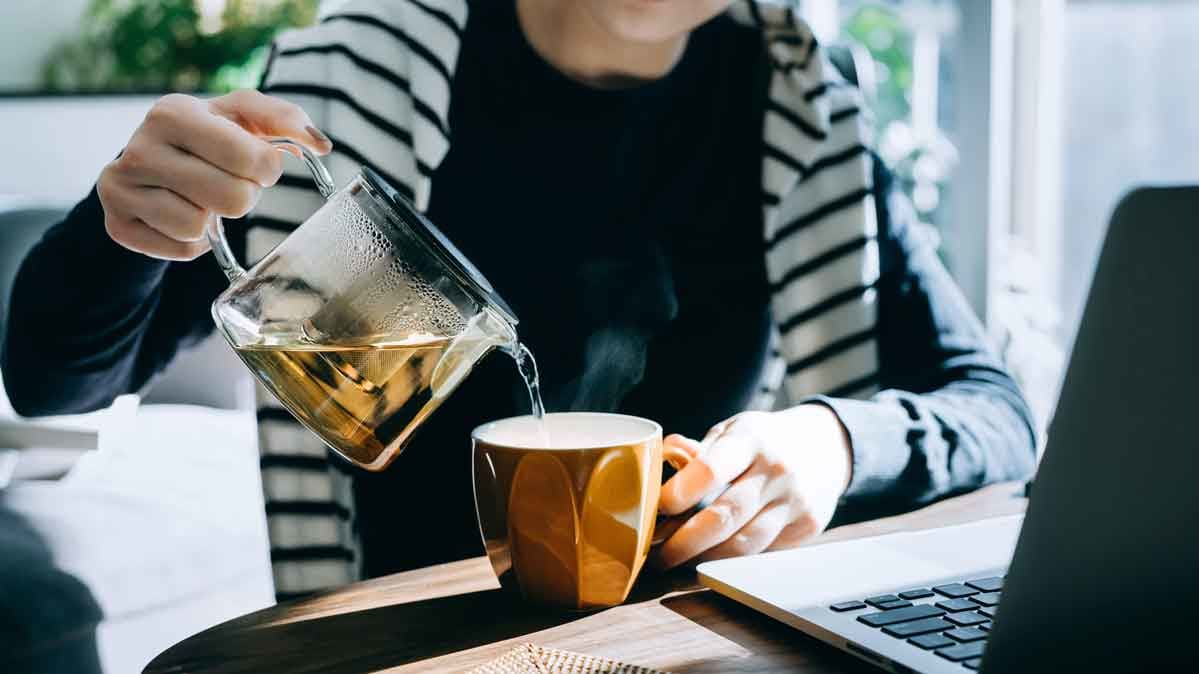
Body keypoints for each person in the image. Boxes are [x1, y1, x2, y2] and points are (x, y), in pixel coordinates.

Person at [2, 0, 1035, 599]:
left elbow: (992, 409)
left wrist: (831, 443)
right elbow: (53, 380)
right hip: (404, 640)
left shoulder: (802, 102)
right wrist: (124, 228)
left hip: (688, 642)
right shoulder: (355, 84)